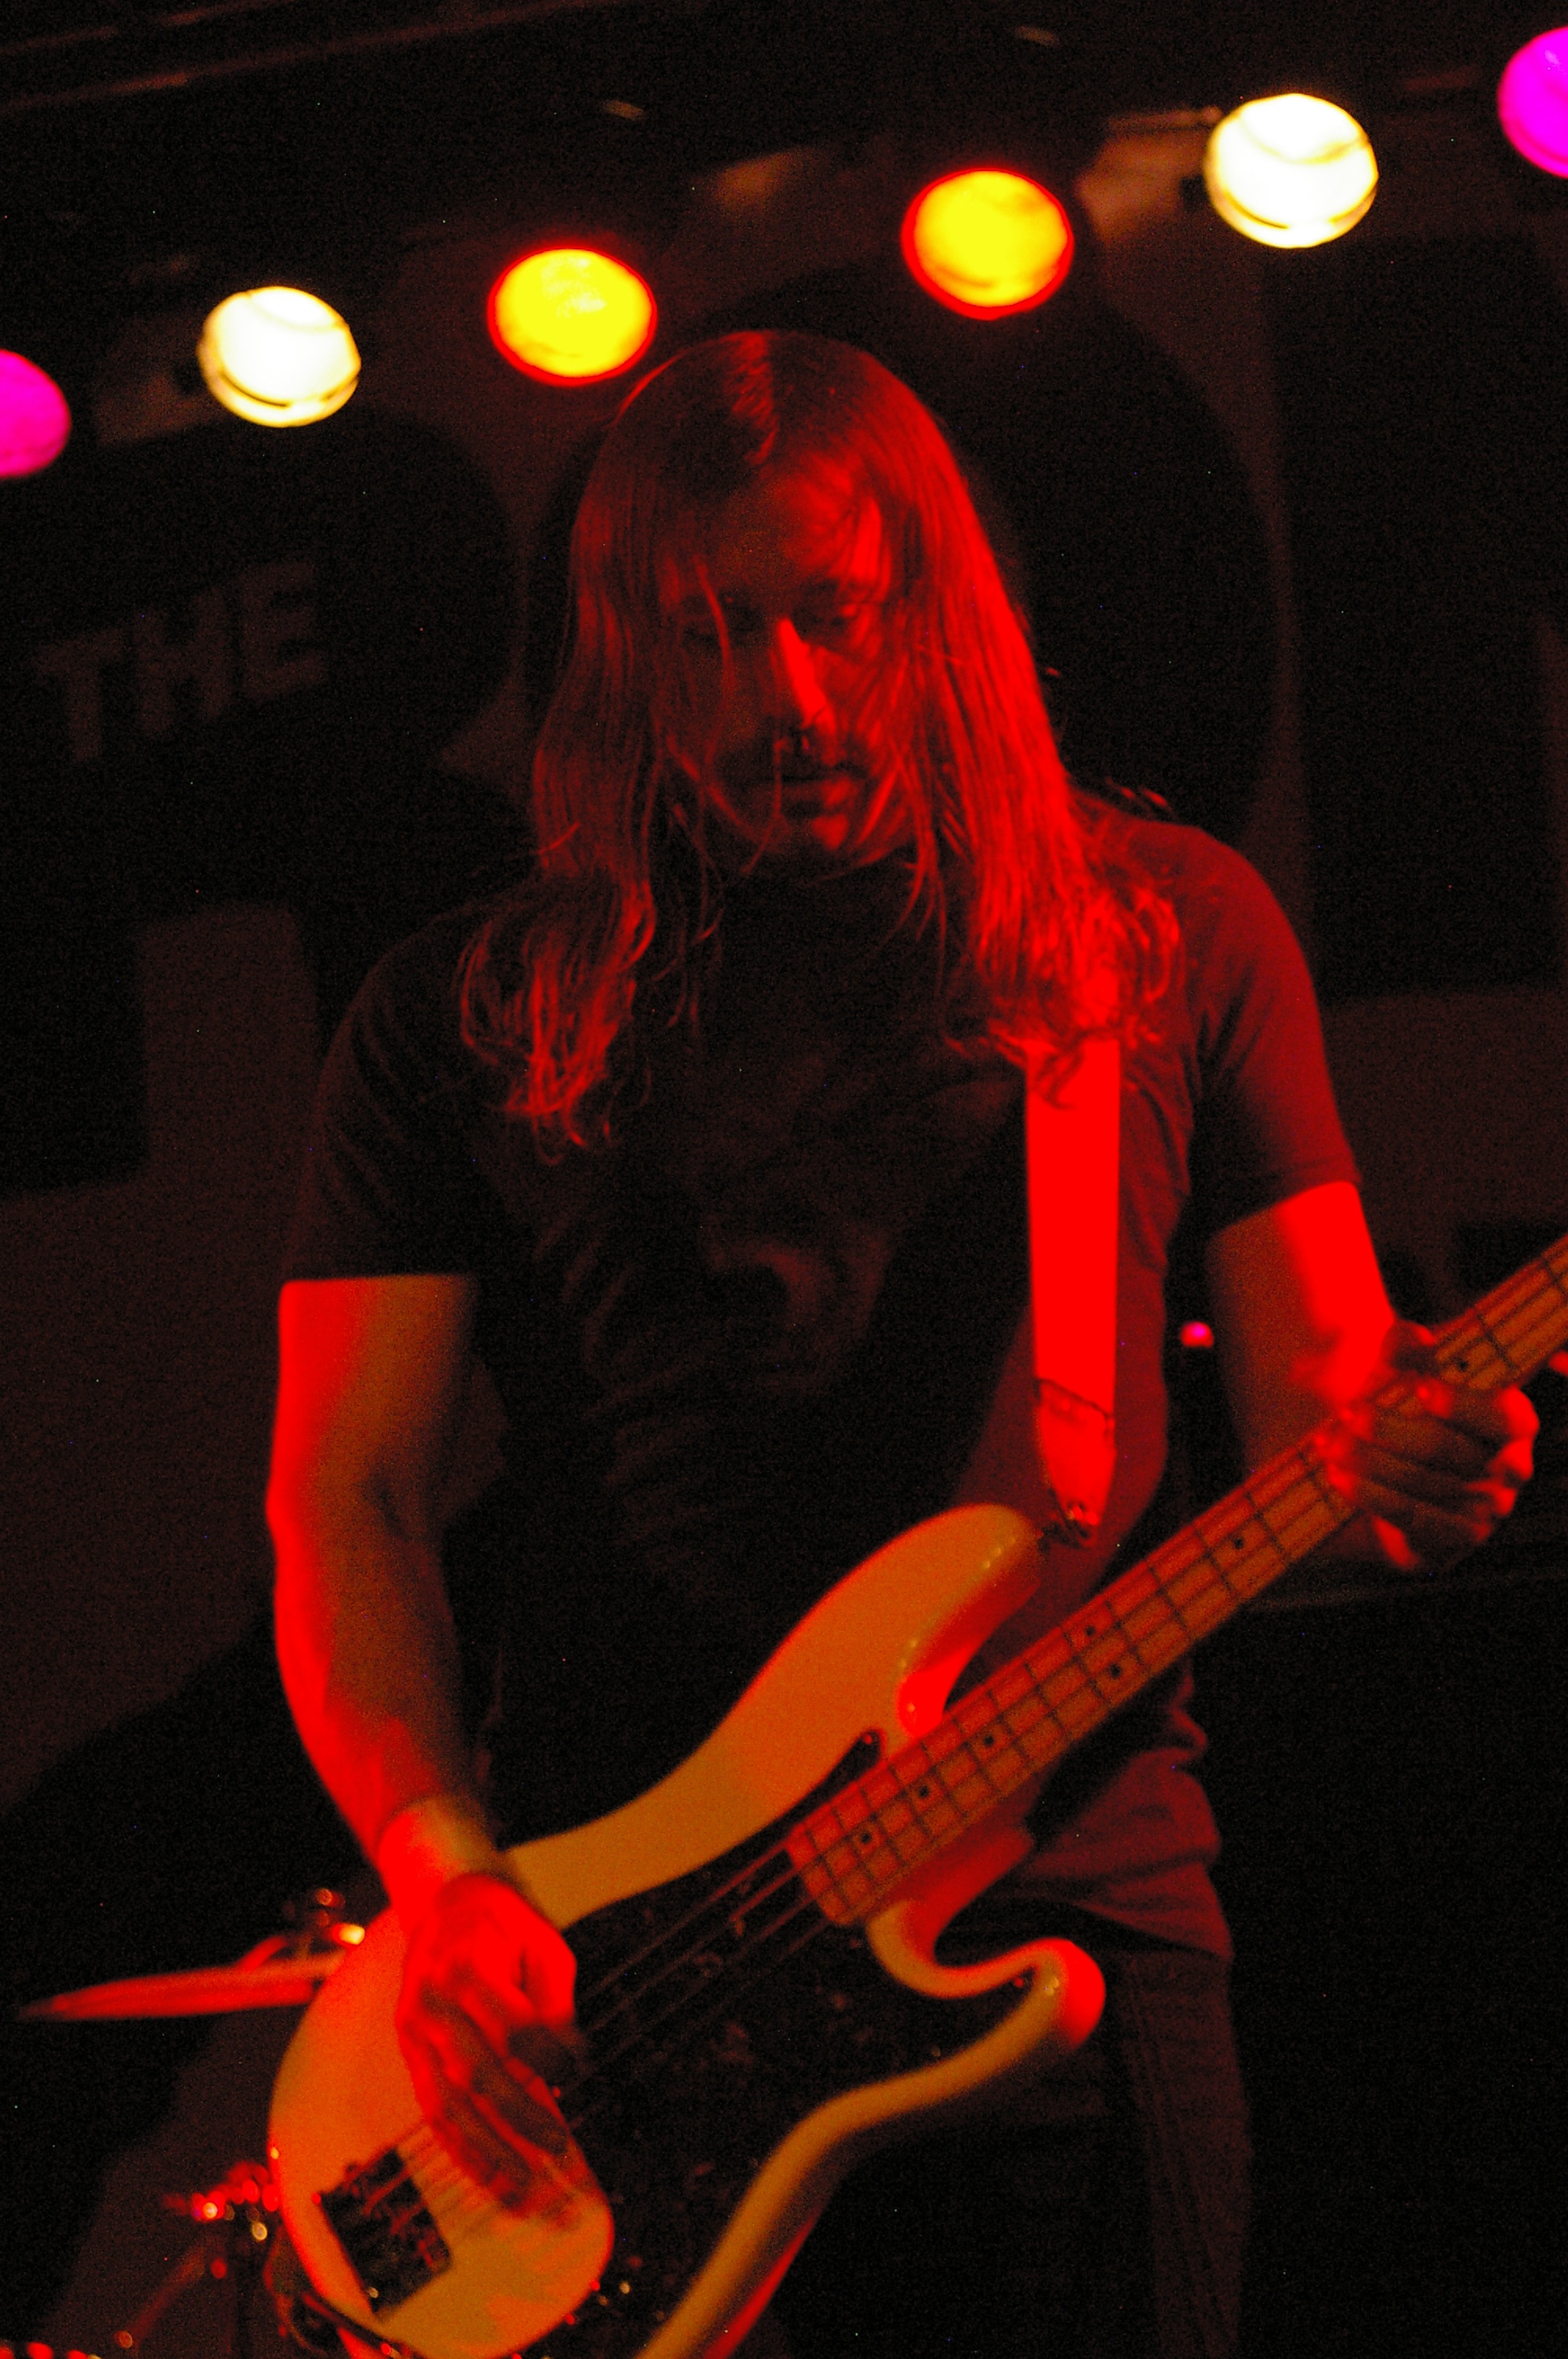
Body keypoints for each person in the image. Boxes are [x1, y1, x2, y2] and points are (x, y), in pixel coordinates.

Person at [267, 332, 1537, 2359]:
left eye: (833, 618)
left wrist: (1417, 1471)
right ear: (621, 656)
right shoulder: (460, 1015)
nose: (785, 698)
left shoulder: (1163, 935)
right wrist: (441, 1877)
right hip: (604, 2010)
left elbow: (1334, 1408)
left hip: (1064, 1932)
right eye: (709, 638)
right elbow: (349, 1498)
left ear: (938, 609)